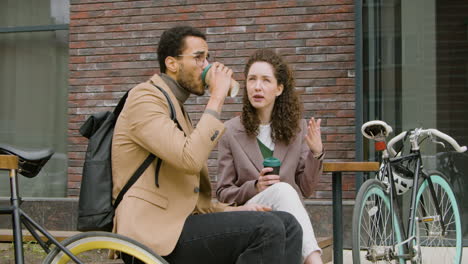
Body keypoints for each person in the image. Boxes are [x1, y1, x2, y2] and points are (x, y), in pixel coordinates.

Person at [111, 26, 303, 264]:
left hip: (180, 224)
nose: (207, 65)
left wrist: (236, 211)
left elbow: (191, 199)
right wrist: (217, 97)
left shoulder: (177, 108)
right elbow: (189, 159)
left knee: (289, 224)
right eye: (199, 57)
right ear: (172, 63)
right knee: (268, 228)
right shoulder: (144, 98)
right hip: (151, 233)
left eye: (207, 58)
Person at [216, 49, 325, 264]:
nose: (257, 86)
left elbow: (306, 189)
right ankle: (314, 261)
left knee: (285, 192)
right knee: (283, 189)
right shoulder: (229, 131)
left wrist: (316, 152)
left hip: (288, 217)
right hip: (252, 214)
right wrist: (255, 187)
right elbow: (222, 193)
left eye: (266, 80)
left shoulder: (298, 128)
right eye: (252, 79)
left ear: (279, 88)